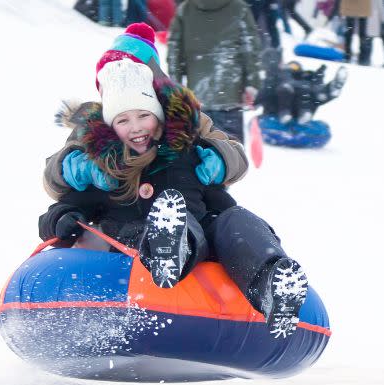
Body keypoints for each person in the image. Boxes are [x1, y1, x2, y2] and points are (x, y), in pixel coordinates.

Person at [41, 26, 311, 337]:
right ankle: (169, 249)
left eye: (144, 115)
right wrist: (71, 184)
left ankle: (273, 284)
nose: (135, 126)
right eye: (123, 120)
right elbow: (63, 196)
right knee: (165, 228)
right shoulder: (100, 152)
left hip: (194, 219)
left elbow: (229, 165)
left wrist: (218, 159)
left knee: (232, 222)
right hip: (134, 236)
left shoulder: (186, 138)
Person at [166, 0, 263, 143]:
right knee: (233, 152)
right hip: (230, 94)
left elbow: (174, 51)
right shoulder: (239, 7)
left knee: (202, 152)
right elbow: (250, 48)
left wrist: (176, 87)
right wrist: (252, 84)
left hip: (197, 96)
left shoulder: (186, 9)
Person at [259, 51, 349, 124]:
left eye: (295, 67)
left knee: (312, 93)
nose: (292, 68)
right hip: (277, 110)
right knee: (287, 88)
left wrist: (318, 76)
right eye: (290, 66)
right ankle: (288, 113)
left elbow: (313, 85)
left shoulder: (303, 79)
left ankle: (330, 90)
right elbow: (263, 93)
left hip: (298, 109)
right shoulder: (277, 77)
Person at [339, 0, 374, 66]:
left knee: (354, 33)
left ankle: (350, 56)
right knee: (356, 33)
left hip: (357, 7)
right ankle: (359, 58)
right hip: (357, 6)